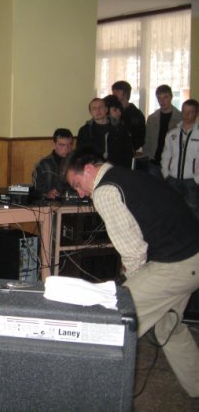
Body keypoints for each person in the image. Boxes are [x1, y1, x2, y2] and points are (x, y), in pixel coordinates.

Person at [63, 147, 199, 398]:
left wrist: (129, 288)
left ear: (89, 169)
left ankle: (88, 396)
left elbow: (134, 251)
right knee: (168, 326)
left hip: (176, 265)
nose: (80, 193)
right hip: (192, 257)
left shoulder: (104, 191)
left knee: (115, 323)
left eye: (77, 184)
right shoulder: (127, 175)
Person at [161, 99, 199, 219]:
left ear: (196, 113)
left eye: (190, 112)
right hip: (173, 179)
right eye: (184, 111)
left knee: (192, 211)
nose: (186, 115)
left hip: (192, 181)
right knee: (173, 210)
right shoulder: (173, 133)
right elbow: (166, 154)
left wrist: (197, 178)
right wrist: (165, 173)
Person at [77, 97, 133, 168]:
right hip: (94, 170)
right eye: (94, 108)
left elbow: (128, 152)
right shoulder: (85, 131)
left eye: (100, 107)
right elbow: (81, 155)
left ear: (106, 109)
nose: (98, 110)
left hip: (117, 169)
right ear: (90, 112)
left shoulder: (119, 128)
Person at [144, 84, 182, 177]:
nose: (162, 101)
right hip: (154, 162)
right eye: (159, 98)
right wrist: (148, 156)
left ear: (171, 97)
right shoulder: (152, 118)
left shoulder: (180, 118)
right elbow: (147, 140)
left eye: (165, 97)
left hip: (173, 162)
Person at [32, 128, 74, 199]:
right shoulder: (42, 165)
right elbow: (36, 189)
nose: (66, 148)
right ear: (54, 145)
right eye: (62, 145)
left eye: (70, 145)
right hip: (48, 203)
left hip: (72, 202)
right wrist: (47, 194)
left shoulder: (76, 164)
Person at [111, 80, 146, 151]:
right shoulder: (111, 111)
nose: (114, 93)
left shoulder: (136, 114)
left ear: (126, 93)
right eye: (113, 91)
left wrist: (129, 148)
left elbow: (140, 138)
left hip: (129, 151)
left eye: (117, 91)